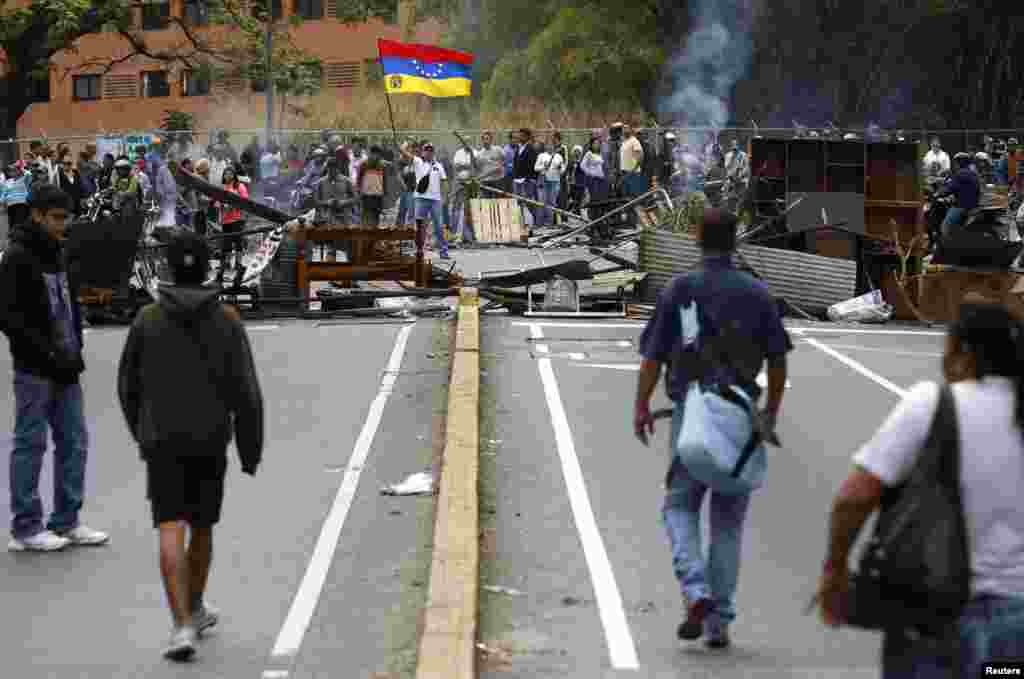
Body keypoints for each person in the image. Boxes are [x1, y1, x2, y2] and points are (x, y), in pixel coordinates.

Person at [817, 302, 1024, 678]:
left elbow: (855, 497)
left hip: (932, 611)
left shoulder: (933, 404)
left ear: (962, 352)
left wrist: (835, 570)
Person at [634, 208, 791, 649]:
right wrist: (771, 413)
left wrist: (641, 405)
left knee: (679, 506)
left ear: (697, 238)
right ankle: (719, 621)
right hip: (742, 414)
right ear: (736, 240)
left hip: (693, 412)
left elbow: (653, 356)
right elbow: (778, 359)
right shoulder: (757, 293)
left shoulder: (680, 289)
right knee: (727, 522)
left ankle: (695, 589)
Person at [117, 231, 263, 661]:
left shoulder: (146, 319)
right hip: (210, 439)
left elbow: (127, 386)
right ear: (206, 270)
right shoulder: (227, 320)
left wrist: (142, 432)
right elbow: (247, 393)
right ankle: (196, 607)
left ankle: (181, 625)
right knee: (201, 527)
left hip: (161, 441)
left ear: (167, 269)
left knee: (169, 527)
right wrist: (249, 450)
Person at [0, 184, 110, 552]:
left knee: (74, 443)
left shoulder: (59, 252)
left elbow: (69, 303)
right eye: (57, 219)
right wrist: (41, 353)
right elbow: (10, 317)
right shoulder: (16, 257)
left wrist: (75, 345)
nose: (63, 225)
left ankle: (66, 521)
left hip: (66, 365)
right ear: (37, 215)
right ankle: (26, 528)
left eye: (67, 218)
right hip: (34, 368)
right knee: (30, 444)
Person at [403, 142, 449, 259]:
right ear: (423, 152)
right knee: (419, 226)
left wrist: (445, 197)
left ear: (433, 152)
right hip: (420, 198)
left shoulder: (439, 166)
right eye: (426, 150)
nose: (428, 152)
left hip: (435, 200)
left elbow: (444, 182)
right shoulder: (418, 162)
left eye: (430, 150)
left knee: (439, 226)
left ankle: (443, 251)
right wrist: (405, 144)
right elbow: (404, 152)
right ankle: (419, 251)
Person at [936, 152, 981, 240]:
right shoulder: (973, 173)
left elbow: (950, 188)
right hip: (973, 204)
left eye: (956, 162)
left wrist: (938, 194)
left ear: (960, 163)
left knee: (945, 226)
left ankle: (946, 246)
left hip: (962, 205)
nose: (955, 165)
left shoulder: (960, 174)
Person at [216, 165, 248, 286]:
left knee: (238, 242)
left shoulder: (240, 186)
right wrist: (223, 205)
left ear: (234, 175)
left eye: (230, 173)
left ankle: (238, 265)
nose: (228, 176)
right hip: (225, 220)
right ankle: (225, 266)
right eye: (226, 174)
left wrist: (234, 203)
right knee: (226, 244)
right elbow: (217, 203)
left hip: (237, 219)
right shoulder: (222, 187)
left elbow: (244, 201)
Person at [534, 141, 565, 227]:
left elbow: (562, 169)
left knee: (552, 202)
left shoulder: (558, 156)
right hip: (543, 180)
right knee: (541, 201)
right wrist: (544, 167)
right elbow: (535, 168)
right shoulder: (541, 156)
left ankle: (549, 222)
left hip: (554, 181)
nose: (550, 147)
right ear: (545, 147)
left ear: (554, 147)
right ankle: (539, 223)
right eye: (548, 145)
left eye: (551, 145)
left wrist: (560, 168)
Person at [451, 139, 476, 243]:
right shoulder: (458, 153)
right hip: (459, 183)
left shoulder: (474, 152)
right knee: (457, 207)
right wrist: (468, 166)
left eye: (468, 142)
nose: (466, 143)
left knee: (469, 208)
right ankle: (455, 232)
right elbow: (456, 166)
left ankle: (469, 235)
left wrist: (465, 166)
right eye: (465, 142)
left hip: (471, 185)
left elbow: (475, 166)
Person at [512, 129, 539, 227]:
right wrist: (514, 176)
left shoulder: (531, 149)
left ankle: (534, 222)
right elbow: (515, 163)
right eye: (519, 135)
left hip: (527, 181)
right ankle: (522, 222)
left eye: (522, 136)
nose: (519, 137)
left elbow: (533, 166)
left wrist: (531, 179)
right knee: (518, 202)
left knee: (528, 202)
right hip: (517, 180)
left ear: (527, 137)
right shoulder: (518, 148)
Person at [357, 146, 388, 227]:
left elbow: (384, 181)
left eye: (378, 155)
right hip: (366, 196)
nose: (376, 157)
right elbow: (358, 180)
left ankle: (374, 236)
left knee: (376, 217)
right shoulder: (363, 164)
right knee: (366, 217)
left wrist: (384, 195)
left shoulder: (382, 166)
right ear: (370, 154)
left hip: (378, 196)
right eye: (374, 154)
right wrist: (358, 192)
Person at [620, 124, 647, 200]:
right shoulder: (624, 142)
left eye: (626, 128)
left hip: (633, 173)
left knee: (634, 196)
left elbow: (641, 156)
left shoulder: (634, 141)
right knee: (626, 196)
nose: (624, 130)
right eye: (623, 129)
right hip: (625, 172)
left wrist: (634, 169)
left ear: (630, 130)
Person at [1, 162, 31, 227]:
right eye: (11, 171)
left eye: (15, 170)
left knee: (20, 223)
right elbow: (4, 193)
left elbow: (29, 174)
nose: (12, 172)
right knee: (12, 223)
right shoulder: (8, 181)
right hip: (10, 205)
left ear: (19, 171)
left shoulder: (24, 179)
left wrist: (20, 167)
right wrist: (2, 201)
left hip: (22, 204)